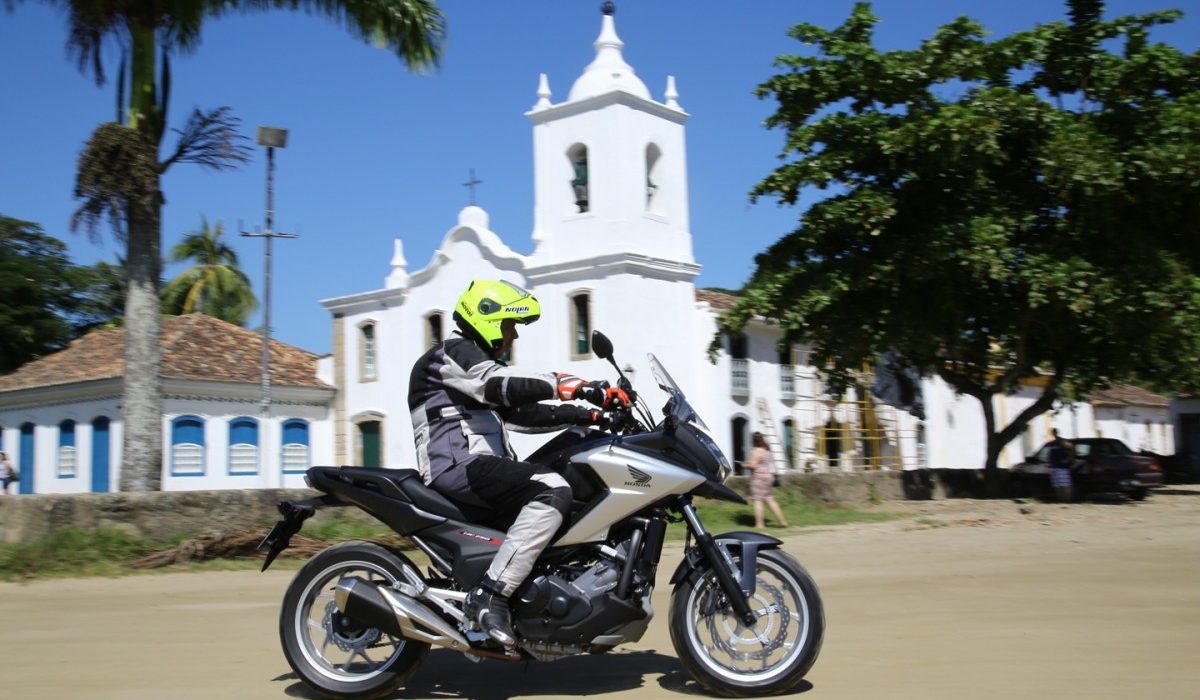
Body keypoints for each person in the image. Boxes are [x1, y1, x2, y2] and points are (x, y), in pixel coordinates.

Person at [408, 279, 628, 647]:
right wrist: (570, 384)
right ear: (488, 318)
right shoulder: (452, 354)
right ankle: (490, 595)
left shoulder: (474, 367)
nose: (514, 335)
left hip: (480, 466)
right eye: (511, 325)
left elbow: (522, 415)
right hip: (457, 466)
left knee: (571, 459)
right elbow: (498, 386)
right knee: (552, 488)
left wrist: (591, 417)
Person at [746, 432, 788, 529]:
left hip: (759, 477)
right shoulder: (767, 450)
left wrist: (746, 465)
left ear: (753, 441)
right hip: (769, 476)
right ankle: (783, 522)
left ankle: (760, 524)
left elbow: (753, 465)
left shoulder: (757, 451)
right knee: (770, 499)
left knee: (758, 500)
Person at [1048, 429, 1075, 502]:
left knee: (1065, 485)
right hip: (1054, 467)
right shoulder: (1052, 443)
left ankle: (1068, 501)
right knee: (1057, 486)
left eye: (1054, 432)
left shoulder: (1061, 441)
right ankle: (1061, 501)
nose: (1054, 434)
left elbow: (1071, 447)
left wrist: (1069, 459)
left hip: (1062, 468)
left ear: (1057, 433)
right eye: (1052, 432)